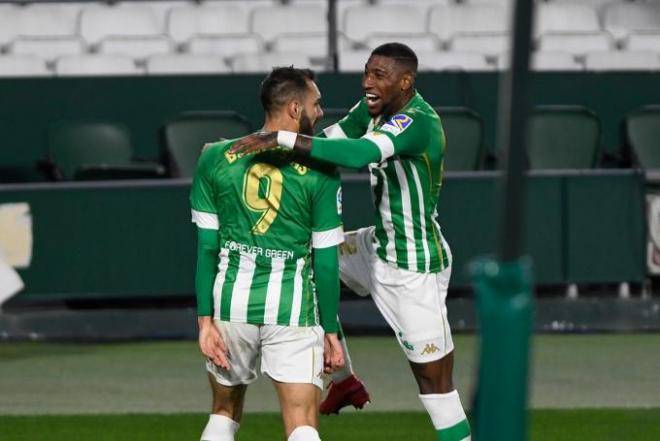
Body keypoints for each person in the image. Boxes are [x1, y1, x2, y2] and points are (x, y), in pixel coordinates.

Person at [231, 43, 472, 441]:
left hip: (414, 268)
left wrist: (282, 142)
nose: (367, 82)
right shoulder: (375, 110)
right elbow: (331, 139)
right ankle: (343, 381)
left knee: (437, 391)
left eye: (379, 75)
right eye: (366, 72)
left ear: (406, 82)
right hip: (376, 247)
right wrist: (261, 157)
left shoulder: (417, 122)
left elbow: (358, 154)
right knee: (305, 260)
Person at [190, 66, 345, 441]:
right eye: (316, 104)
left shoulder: (214, 157)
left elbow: (208, 247)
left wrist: (204, 321)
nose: (321, 112)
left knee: (224, 412)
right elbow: (326, 262)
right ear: (295, 108)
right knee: (301, 422)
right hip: (293, 307)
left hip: (231, 304)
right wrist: (330, 329)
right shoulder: (321, 167)